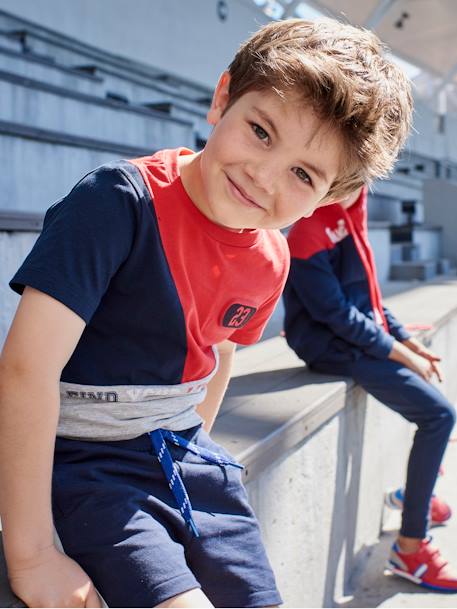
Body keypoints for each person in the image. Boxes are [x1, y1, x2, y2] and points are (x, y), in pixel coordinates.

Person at [0, 18, 413, 608]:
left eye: (303, 174)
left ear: (328, 198)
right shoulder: (116, 203)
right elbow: (25, 369)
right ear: (223, 98)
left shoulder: (271, 258)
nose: (262, 176)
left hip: (184, 459)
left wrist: (196, 456)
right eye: (261, 131)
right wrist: (34, 553)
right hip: (87, 461)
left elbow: (217, 358)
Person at [283, 185, 457, 592]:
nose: (360, 186)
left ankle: (415, 495)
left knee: (437, 408)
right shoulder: (309, 229)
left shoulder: (353, 206)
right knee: (439, 416)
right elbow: (335, 313)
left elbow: (369, 299)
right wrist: (396, 350)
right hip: (329, 346)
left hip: (358, 339)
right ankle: (410, 548)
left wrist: (403, 338)